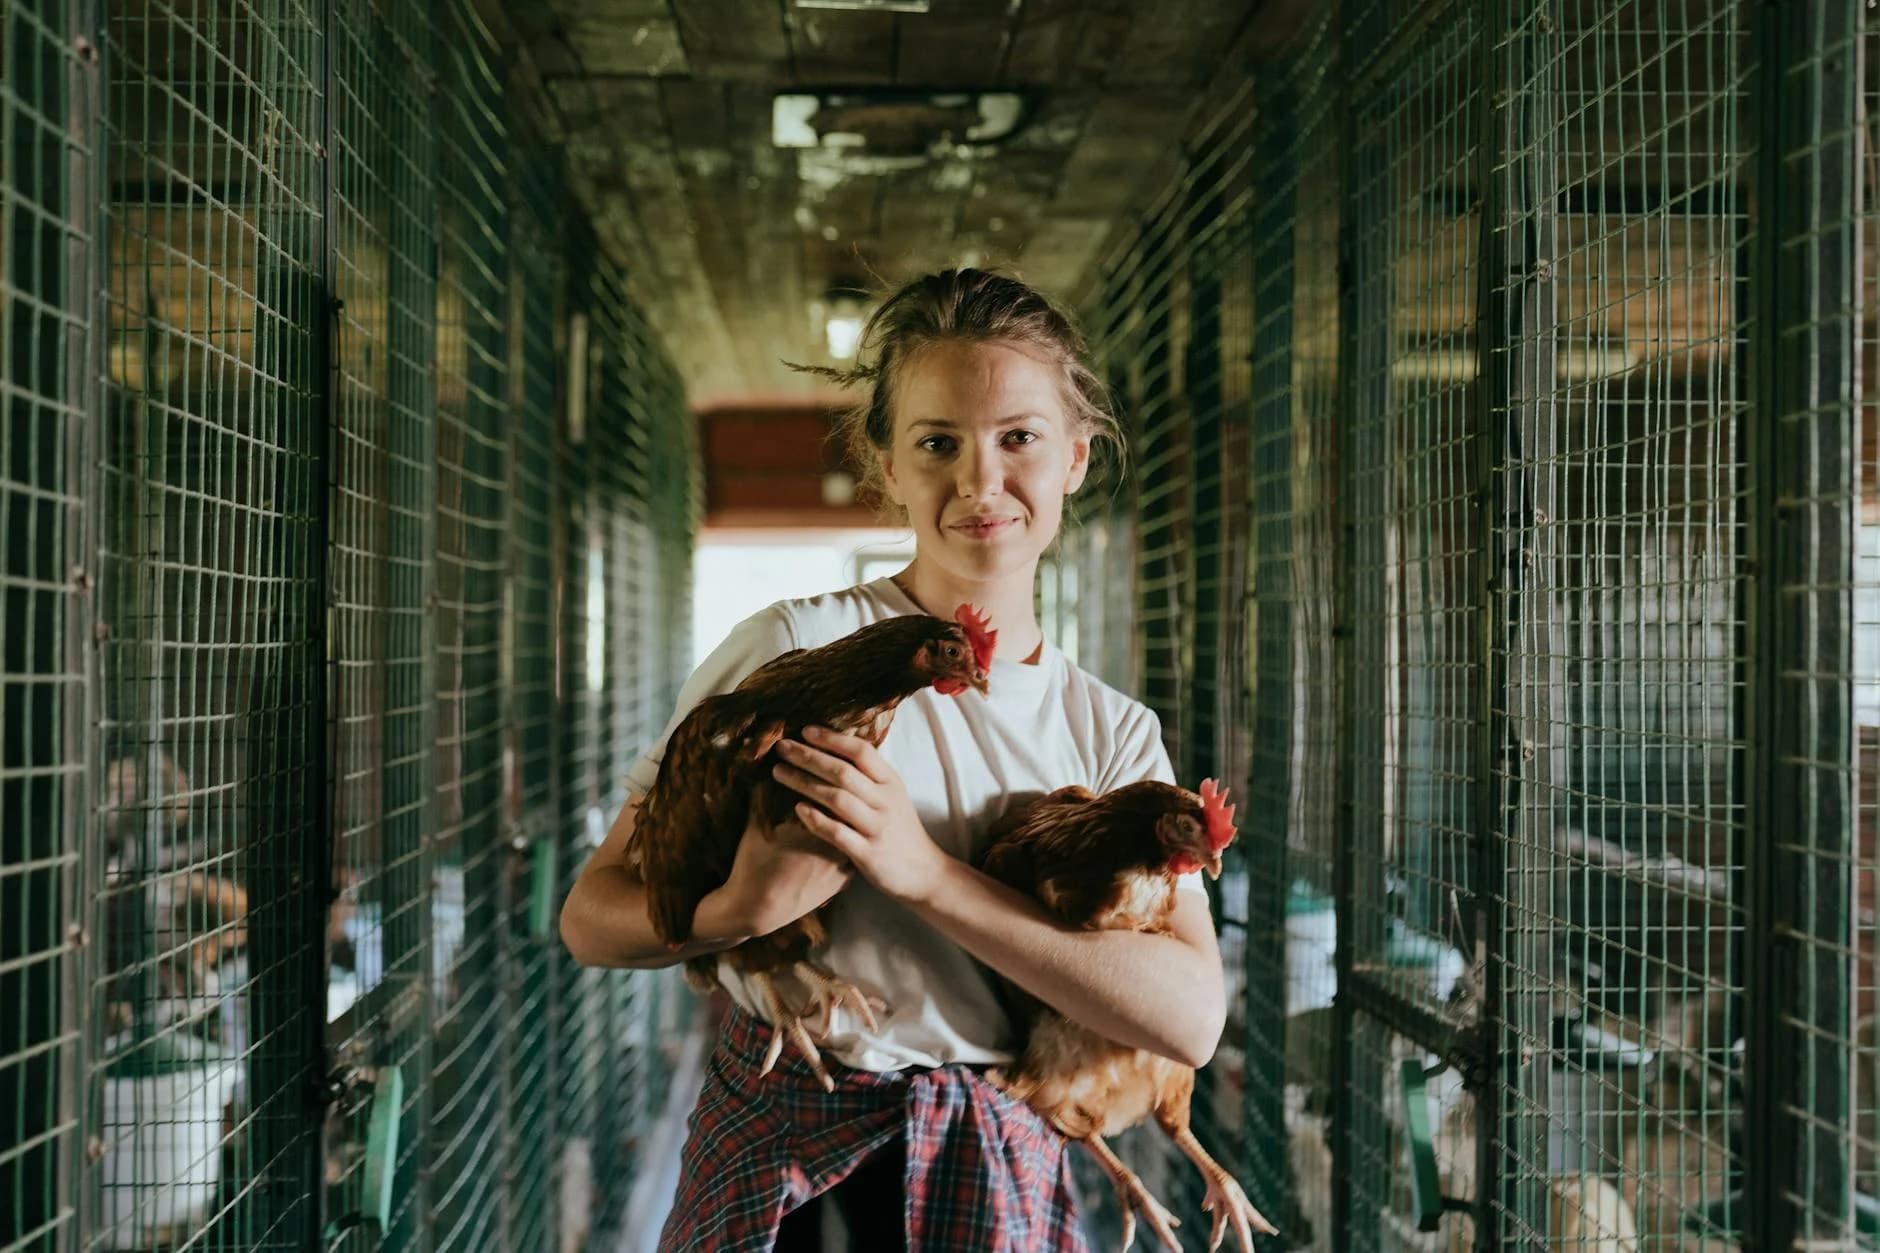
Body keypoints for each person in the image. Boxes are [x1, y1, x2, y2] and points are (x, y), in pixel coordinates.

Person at [559, 268, 1228, 1251]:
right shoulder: (791, 647)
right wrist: (732, 914)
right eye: (936, 442)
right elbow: (592, 914)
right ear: (885, 463)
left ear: (1076, 457)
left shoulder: (1112, 730)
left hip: (993, 1143)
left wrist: (923, 874)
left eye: (1018, 438)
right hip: (787, 1132)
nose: (978, 480)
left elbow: (1189, 1014)